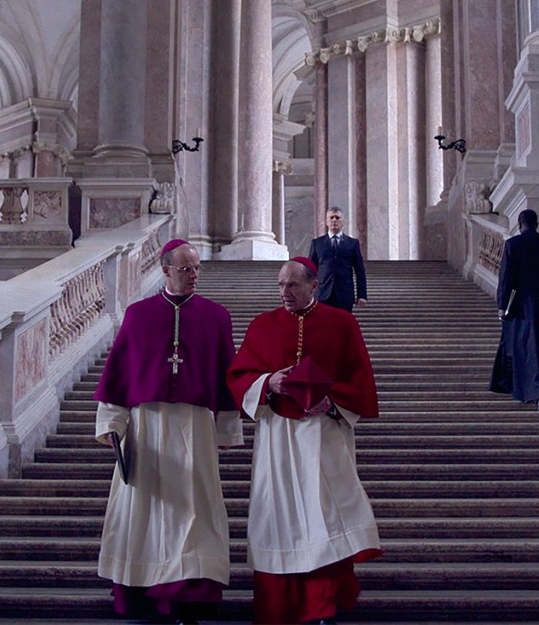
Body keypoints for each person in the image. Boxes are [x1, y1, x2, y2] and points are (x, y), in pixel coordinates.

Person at [94, 239, 244, 623]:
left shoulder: (216, 316)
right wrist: (112, 424)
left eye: (196, 268)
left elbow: (227, 375)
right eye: (185, 269)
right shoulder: (138, 315)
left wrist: (227, 429)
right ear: (165, 270)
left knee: (196, 513)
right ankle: (145, 593)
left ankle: (189, 597)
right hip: (147, 427)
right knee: (145, 512)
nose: (194, 275)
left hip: (195, 427)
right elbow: (120, 374)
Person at [227, 256, 382, 625]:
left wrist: (334, 401)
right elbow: (238, 375)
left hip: (324, 434)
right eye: (280, 285)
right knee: (276, 516)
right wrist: (268, 382)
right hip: (277, 436)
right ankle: (278, 606)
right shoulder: (262, 325)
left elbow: (360, 379)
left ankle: (323, 604)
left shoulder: (342, 323)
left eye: (293, 285)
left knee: (325, 515)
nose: (285, 292)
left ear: (315, 285)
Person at [489, 209, 539, 411]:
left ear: (519, 225)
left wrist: (502, 306)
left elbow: (506, 279)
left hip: (521, 303)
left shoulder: (513, 244)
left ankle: (529, 392)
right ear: (536, 224)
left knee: (524, 349)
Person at [308, 207, 368, 312]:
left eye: (337, 218)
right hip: (322, 293)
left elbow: (360, 271)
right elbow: (310, 271)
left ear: (343, 222)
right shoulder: (317, 243)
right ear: (326, 222)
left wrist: (361, 295)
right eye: (331, 218)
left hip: (345, 293)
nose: (334, 220)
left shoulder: (352, 243)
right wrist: (308, 294)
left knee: (343, 326)